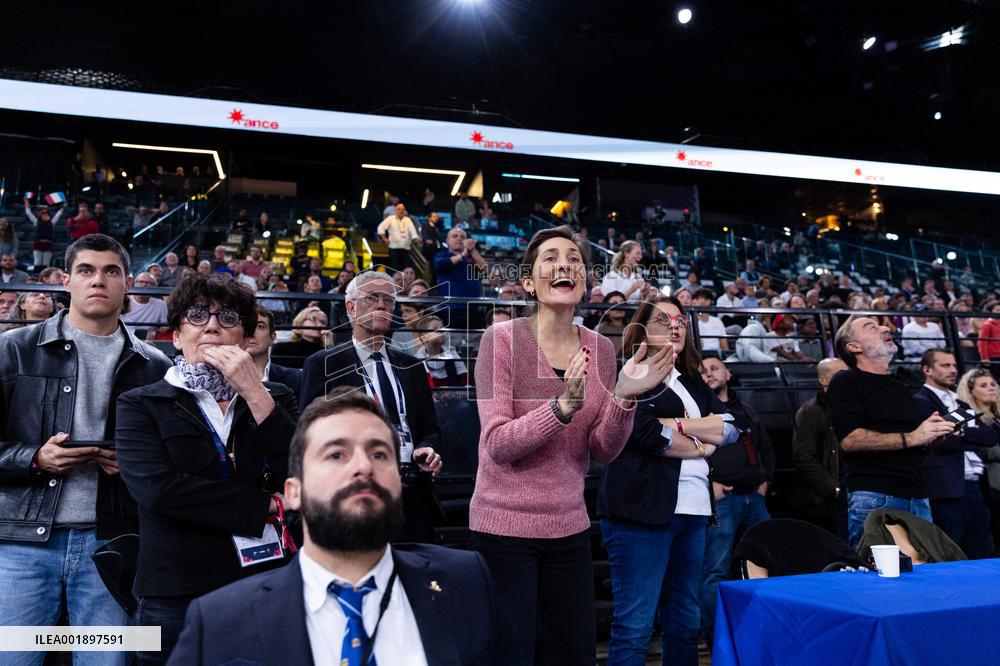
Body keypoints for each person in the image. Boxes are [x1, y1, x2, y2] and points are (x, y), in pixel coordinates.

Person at [169, 388, 514, 665]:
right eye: (336, 454)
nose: (363, 467)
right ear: (294, 492)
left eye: (379, 454)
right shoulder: (218, 623)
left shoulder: (468, 584)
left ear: (399, 481)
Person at [471, 226, 672, 665]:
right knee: (511, 656)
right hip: (504, 531)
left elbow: (604, 450)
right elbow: (497, 444)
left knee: (573, 656)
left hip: (570, 531)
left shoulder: (600, 348)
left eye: (574, 259)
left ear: (584, 279)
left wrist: (622, 397)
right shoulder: (498, 341)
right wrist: (560, 407)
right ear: (529, 281)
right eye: (550, 257)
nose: (564, 264)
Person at [0, 234, 171, 665]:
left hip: (111, 542)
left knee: (106, 663)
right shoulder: (14, 350)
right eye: (86, 270)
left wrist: (132, 465)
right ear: (66, 281)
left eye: (111, 271)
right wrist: (34, 458)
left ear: (128, 283)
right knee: (14, 659)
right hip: (22, 543)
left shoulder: (156, 365)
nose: (99, 280)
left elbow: (168, 461)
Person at [116, 273, 299, 663]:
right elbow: (158, 490)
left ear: (247, 338)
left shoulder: (276, 398)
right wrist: (264, 505)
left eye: (228, 317)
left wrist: (254, 391)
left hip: (265, 583)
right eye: (197, 315)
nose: (212, 325)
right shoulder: (141, 403)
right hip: (174, 590)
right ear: (177, 336)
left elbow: (303, 471)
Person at [596, 295, 738, 666]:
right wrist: (701, 443)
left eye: (680, 319)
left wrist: (676, 427)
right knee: (635, 626)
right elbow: (641, 433)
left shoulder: (690, 378)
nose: (675, 325)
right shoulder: (628, 373)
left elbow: (731, 427)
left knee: (684, 621)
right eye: (663, 319)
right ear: (641, 328)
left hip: (693, 509)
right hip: (641, 513)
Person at [300, 271, 444, 542]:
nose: (382, 305)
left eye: (388, 301)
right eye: (372, 298)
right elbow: (311, 432)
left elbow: (430, 426)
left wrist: (428, 448)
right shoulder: (324, 363)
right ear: (351, 308)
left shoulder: (411, 365)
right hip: (357, 491)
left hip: (412, 493)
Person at [828, 315, 956, 547]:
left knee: (924, 572)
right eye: (871, 327)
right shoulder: (846, 380)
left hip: (918, 493)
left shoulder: (900, 385)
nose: (885, 328)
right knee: (878, 574)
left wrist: (932, 436)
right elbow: (850, 439)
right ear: (854, 346)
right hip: (876, 494)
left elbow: (914, 441)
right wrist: (914, 437)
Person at [698, 354, 772, 636]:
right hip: (723, 499)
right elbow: (688, 450)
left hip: (754, 497)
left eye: (715, 369)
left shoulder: (747, 410)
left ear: (728, 374)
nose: (709, 374)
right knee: (715, 568)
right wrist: (710, 483)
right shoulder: (698, 411)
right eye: (703, 371)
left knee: (767, 559)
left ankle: (763, 629)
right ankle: (716, 636)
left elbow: (766, 448)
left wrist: (766, 479)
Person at [914, 350, 997, 558]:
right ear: (927, 370)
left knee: (980, 551)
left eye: (953, 365)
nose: (953, 370)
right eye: (945, 365)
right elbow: (939, 440)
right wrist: (965, 435)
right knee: (950, 551)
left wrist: (959, 431)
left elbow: (989, 437)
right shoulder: (920, 400)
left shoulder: (961, 403)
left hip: (977, 485)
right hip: (948, 487)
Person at [792, 358, 850, 539]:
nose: (845, 379)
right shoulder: (810, 411)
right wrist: (834, 489)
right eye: (839, 374)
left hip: (853, 490)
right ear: (823, 380)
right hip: (829, 498)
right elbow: (803, 455)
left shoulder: (852, 407)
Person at [958, 368, 1000, 554]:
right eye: (983, 385)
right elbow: (983, 450)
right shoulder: (972, 419)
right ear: (971, 391)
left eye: (993, 384)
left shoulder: (997, 417)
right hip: (990, 485)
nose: (991, 388)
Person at [433, 226, 487, 331]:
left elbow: (485, 269)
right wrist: (463, 254)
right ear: (447, 241)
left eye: (462, 237)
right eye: (455, 236)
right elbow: (439, 265)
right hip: (450, 309)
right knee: (451, 343)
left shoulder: (472, 258)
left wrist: (473, 250)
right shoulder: (441, 255)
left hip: (473, 310)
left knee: (476, 343)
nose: (459, 238)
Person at [247, 305, 303, 402]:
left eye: (260, 326)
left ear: (272, 337)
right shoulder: (219, 378)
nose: (251, 333)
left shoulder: (296, 378)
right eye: (247, 325)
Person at [414, 314, 468, 388]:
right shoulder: (417, 359)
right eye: (435, 328)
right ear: (423, 337)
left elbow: (465, 380)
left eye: (442, 328)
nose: (442, 331)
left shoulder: (452, 353)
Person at [121, 271, 169, 340]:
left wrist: (156, 332)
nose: (144, 285)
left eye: (149, 283)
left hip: (149, 340)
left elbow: (164, 327)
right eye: (141, 282)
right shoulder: (125, 301)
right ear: (134, 283)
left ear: (155, 287)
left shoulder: (160, 304)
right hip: (125, 337)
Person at [378, 203, 419, 272]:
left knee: (405, 269)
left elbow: (412, 230)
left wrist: (415, 238)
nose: (401, 211)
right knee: (394, 268)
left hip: (405, 248)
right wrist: (384, 238)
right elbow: (380, 227)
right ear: (396, 210)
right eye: (399, 209)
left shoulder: (407, 219)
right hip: (394, 248)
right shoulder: (390, 218)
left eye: (403, 209)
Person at [23, 201, 66, 267]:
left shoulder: (52, 223)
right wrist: (27, 205)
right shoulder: (36, 222)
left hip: (48, 244)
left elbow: (58, 214)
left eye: (47, 215)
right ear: (41, 216)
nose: (45, 216)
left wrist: (63, 207)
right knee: (37, 262)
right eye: (44, 215)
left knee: (46, 263)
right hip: (38, 244)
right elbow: (29, 214)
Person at [692, 288, 728, 354]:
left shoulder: (717, 321)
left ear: (709, 301)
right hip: (699, 354)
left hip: (716, 353)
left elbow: (724, 344)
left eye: (706, 299)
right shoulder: (691, 321)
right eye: (696, 299)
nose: (695, 301)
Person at [595, 291, 627, 357]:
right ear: (606, 310)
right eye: (614, 303)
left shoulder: (632, 327)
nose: (619, 306)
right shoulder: (600, 329)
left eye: (622, 303)